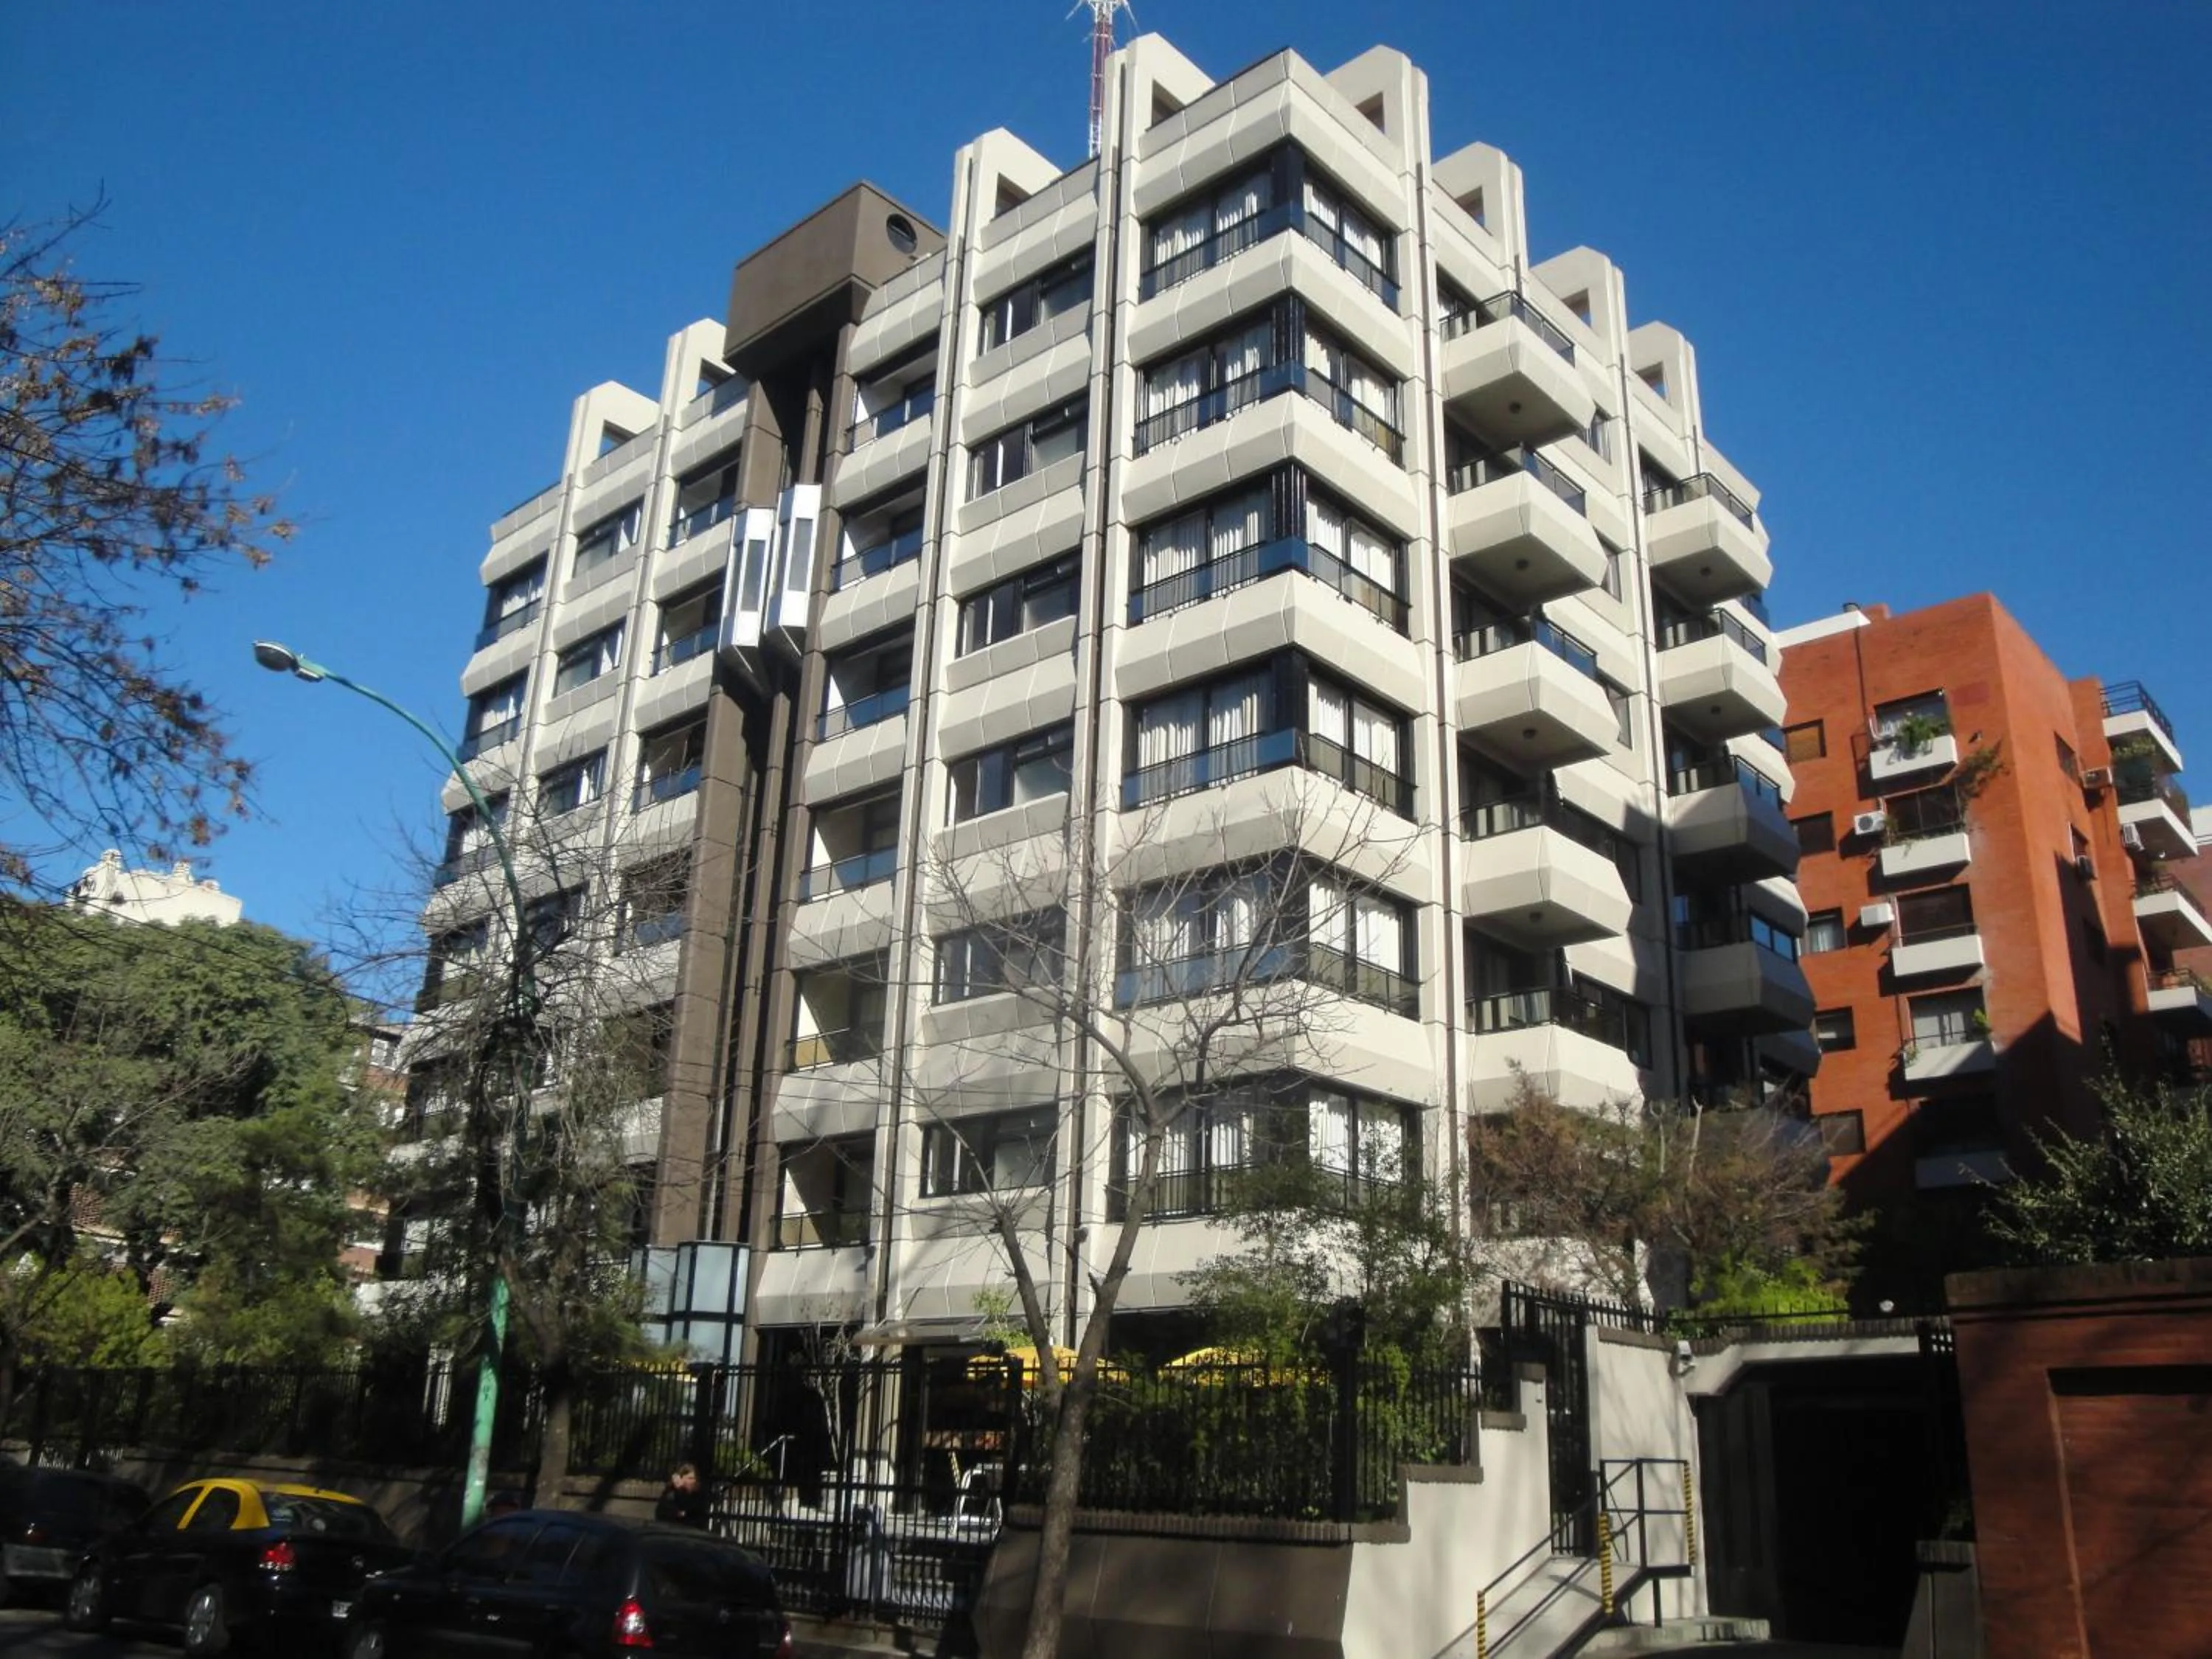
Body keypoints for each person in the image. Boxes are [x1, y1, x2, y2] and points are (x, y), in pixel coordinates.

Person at [655, 1462, 710, 1529]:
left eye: (694, 1479)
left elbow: (697, 1515)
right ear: (681, 1478)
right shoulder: (671, 1493)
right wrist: (680, 1490)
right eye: (690, 1478)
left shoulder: (698, 1496)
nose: (693, 1481)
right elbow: (665, 1513)